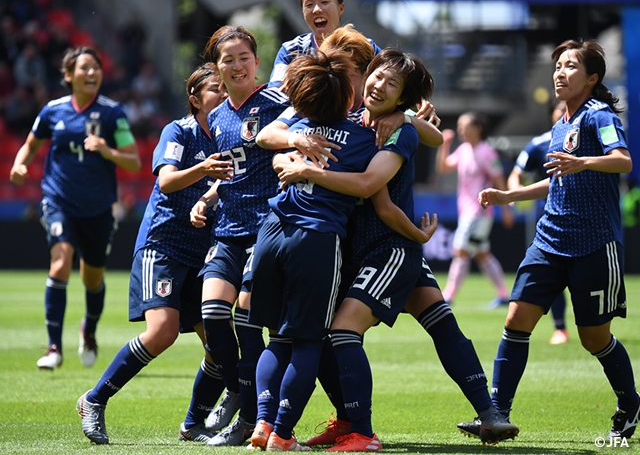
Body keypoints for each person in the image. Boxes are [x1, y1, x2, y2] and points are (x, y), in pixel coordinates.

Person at [274, 48, 519, 450]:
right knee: (441, 323)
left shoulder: (399, 130)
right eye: (378, 76)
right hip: (366, 248)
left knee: (339, 329)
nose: (379, 85)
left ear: (404, 97)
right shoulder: (350, 121)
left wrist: (306, 169)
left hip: (386, 248)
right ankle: (488, 414)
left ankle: (359, 431)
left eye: (393, 84)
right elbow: (275, 137)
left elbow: (378, 197)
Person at [466, 39, 638, 441]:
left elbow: (623, 159)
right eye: (557, 66)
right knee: (516, 319)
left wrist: (583, 162)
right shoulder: (561, 122)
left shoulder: (599, 116)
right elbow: (556, 180)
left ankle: (630, 402)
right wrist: (510, 195)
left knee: (594, 338)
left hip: (594, 243)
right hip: (549, 241)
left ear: (592, 78)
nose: (559, 72)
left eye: (570, 66)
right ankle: (496, 415)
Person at [188, 25, 332, 447]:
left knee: (251, 324)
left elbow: (300, 140)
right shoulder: (216, 116)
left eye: (243, 57)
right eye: (227, 60)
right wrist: (210, 197)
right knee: (213, 313)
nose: (236, 66)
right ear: (217, 67)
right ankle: (237, 390)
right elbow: (237, 168)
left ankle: (251, 419)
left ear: (256, 59)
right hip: (229, 228)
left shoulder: (277, 101)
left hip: (268, 229)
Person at [75, 64, 233, 445]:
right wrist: (204, 168)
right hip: (163, 245)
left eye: (226, 88)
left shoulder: (230, 134)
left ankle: (192, 424)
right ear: (195, 99)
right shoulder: (178, 131)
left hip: (203, 251)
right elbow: (166, 180)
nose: (224, 95)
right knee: (161, 332)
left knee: (217, 346)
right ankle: (93, 400)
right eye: (215, 89)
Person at [9, 46, 141, 370]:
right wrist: (19, 165)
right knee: (60, 263)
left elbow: (135, 161)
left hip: (98, 208)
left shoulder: (113, 113)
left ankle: (89, 331)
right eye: (84, 68)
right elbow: (30, 145)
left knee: (92, 279)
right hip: (59, 201)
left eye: (96, 68)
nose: (92, 73)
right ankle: (54, 346)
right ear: (69, 75)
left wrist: (107, 150)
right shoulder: (52, 111)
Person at [507, 99, 571, 345]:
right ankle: (560, 328)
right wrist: (513, 195)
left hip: (588, 221)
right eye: (560, 109)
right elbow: (517, 173)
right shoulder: (539, 144)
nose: (564, 112)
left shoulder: (588, 137)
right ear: (551, 114)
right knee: (553, 277)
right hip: (554, 222)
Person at [436, 112, 514, 308]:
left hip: (478, 213)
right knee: (482, 255)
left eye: (465, 126)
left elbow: (499, 181)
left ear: (478, 128)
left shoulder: (486, 152)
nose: (460, 130)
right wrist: (444, 144)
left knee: (460, 251)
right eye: (459, 126)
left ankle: (448, 296)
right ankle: (504, 294)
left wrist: (506, 210)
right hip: (466, 212)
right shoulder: (463, 150)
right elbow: (444, 167)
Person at [267, 0, 381, 89]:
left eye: (324, 2)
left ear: (341, 8)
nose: (317, 9)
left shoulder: (367, 49)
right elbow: (274, 93)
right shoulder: (291, 51)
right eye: (309, 5)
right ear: (303, 13)